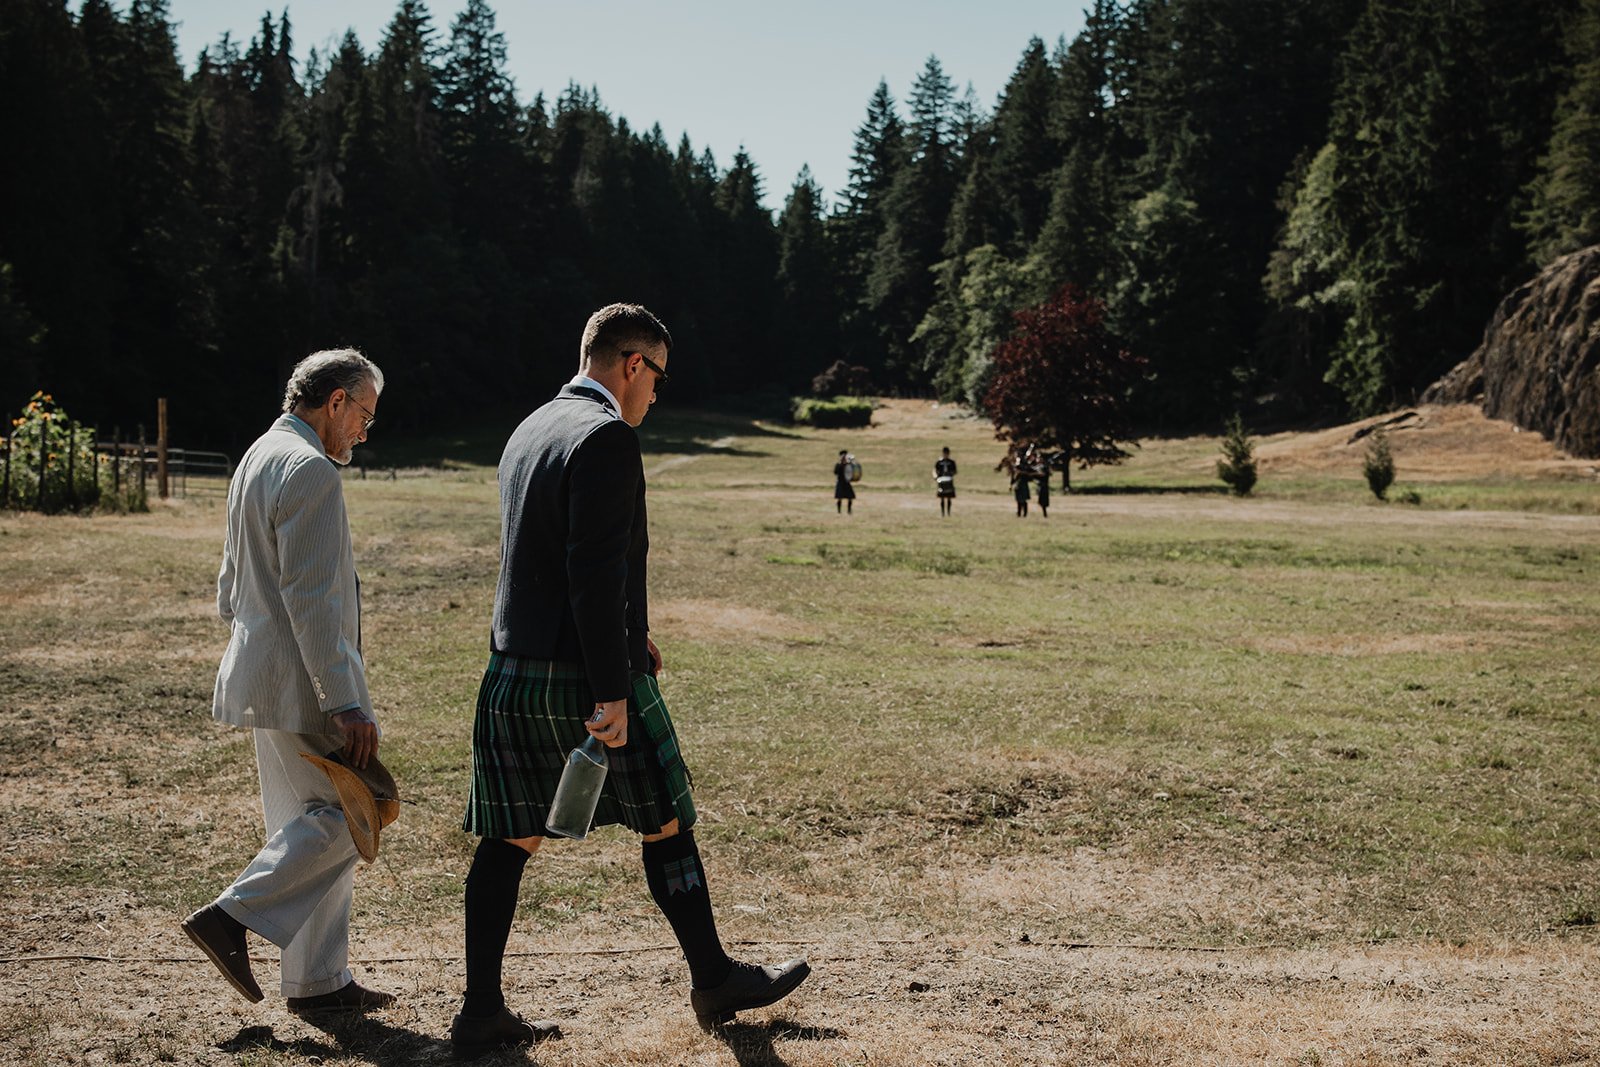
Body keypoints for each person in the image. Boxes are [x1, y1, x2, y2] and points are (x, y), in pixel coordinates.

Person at [453, 303, 809, 1058]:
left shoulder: (530, 428)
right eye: (658, 379)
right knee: (667, 816)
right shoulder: (607, 434)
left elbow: (547, 555)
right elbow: (593, 567)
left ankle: (480, 1010)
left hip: (512, 665)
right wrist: (612, 683)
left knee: (509, 837)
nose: (655, 398)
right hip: (584, 672)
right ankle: (713, 977)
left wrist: (627, 628)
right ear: (633, 364)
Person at [180, 349, 395, 1017]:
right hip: (304, 682)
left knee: (305, 823)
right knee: (358, 809)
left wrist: (255, 639)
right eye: (363, 413)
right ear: (333, 401)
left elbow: (228, 587)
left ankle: (318, 981)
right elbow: (312, 601)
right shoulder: (309, 469)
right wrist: (345, 700)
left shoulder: (256, 456)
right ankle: (231, 914)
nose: (364, 429)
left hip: (261, 672)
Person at [934, 447, 957, 516]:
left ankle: (949, 512)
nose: (946, 455)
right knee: (942, 498)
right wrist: (936, 476)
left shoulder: (952, 462)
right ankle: (943, 513)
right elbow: (935, 470)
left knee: (949, 497)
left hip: (949, 480)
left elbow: (955, 471)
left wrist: (950, 474)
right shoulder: (939, 462)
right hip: (941, 480)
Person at [833, 449, 856, 514]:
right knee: (839, 498)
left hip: (847, 482)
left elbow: (853, 470)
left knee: (850, 497)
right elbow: (835, 472)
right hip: (840, 482)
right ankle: (839, 511)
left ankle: (849, 510)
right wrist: (841, 464)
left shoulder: (848, 464)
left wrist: (850, 462)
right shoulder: (838, 465)